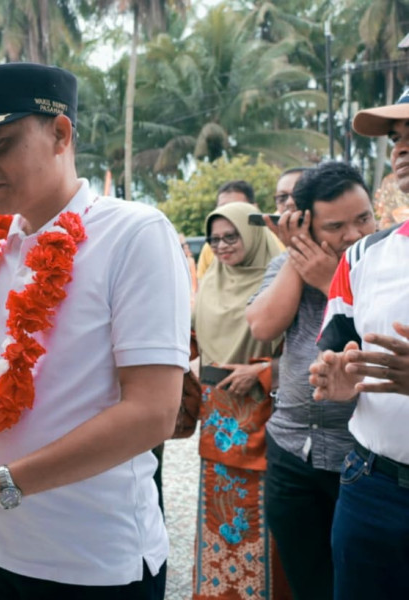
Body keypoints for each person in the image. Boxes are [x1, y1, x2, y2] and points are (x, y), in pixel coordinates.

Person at [0, 63, 190, 599]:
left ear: (61, 134)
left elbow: (152, 413)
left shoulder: (134, 234)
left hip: (95, 563)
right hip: (0, 547)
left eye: (1, 143)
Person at [245, 162, 375, 599]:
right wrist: (297, 260)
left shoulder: (388, 267)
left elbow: (371, 350)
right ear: (305, 226)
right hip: (291, 451)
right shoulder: (288, 265)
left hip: (361, 458)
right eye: (335, 226)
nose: (354, 234)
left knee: (359, 581)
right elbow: (263, 326)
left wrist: (332, 282)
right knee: (307, 579)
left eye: (363, 218)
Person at [308, 92, 409, 600]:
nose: (403, 151)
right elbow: (336, 358)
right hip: (372, 488)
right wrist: (337, 380)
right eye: (398, 139)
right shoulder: (365, 256)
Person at [192, 202, 285, 599]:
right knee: (218, 512)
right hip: (216, 416)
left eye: (232, 237)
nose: (224, 246)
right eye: (216, 239)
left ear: (254, 236)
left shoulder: (279, 277)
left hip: (264, 412)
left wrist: (262, 371)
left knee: (264, 520)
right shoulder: (212, 277)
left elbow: (303, 349)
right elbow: (192, 338)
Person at [196, 180, 258, 279]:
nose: (222, 246)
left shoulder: (276, 243)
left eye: (235, 208)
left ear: (254, 208)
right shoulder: (211, 248)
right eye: (222, 209)